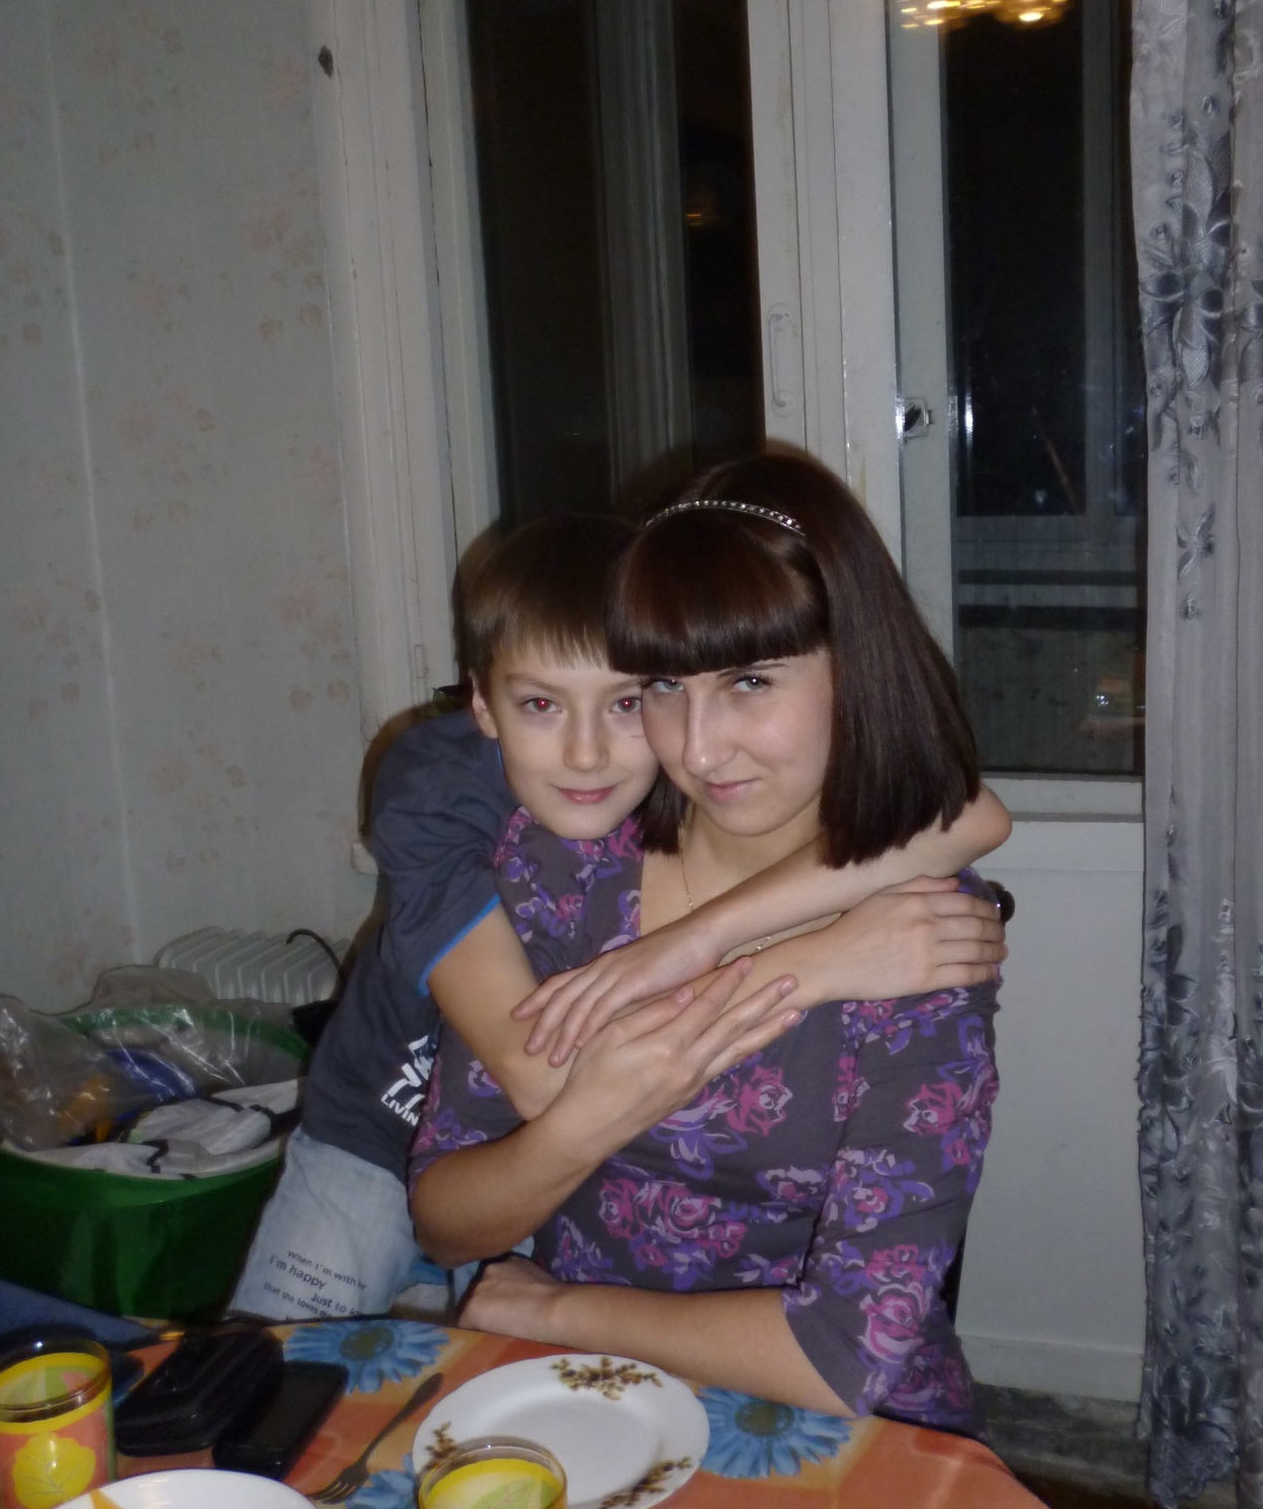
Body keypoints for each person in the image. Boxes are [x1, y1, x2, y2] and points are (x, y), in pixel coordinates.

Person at [236, 504, 1007, 1322]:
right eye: (541, 705)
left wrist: (700, 937)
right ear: (483, 706)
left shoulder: (674, 774)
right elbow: (545, 1075)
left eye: (631, 702)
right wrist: (810, 965)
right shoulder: (438, 790)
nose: (586, 754)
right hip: (370, 1139)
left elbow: (976, 817)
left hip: (517, 1188)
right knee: (273, 1372)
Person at [409, 449, 1003, 1429]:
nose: (697, 746)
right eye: (662, 686)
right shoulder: (568, 869)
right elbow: (442, 1220)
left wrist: (555, 1310)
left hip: (825, 1433)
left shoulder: (918, 939)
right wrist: (578, 1126)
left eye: (751, 681)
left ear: (856, 668)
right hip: (588, 1404)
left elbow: (846, 1354)